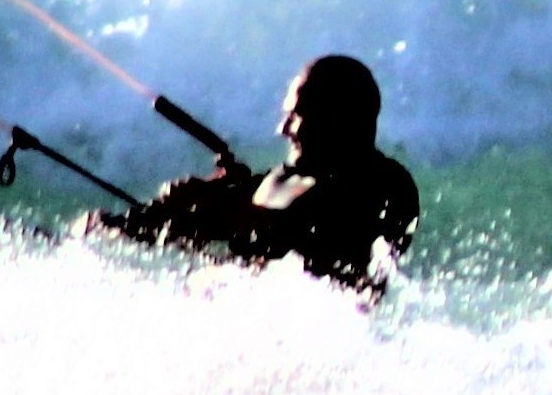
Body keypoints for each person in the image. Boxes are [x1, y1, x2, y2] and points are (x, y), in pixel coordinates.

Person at [91, 54, 420, 296]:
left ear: (336, 119)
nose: (283, 129)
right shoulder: (281, 181)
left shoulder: (387, 184)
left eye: (295, 116)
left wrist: (235, 211)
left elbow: (321, 238)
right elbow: (224, 222)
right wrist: (132, 222)